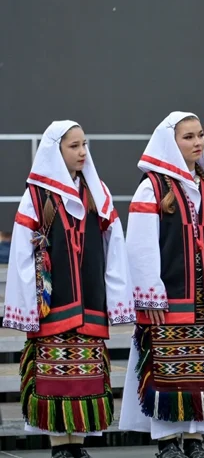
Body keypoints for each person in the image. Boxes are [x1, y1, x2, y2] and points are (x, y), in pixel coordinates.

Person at [119, 112, 204, 458]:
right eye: (188, 137)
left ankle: (196, 440)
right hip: (171, 299)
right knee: (168, 371)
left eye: (200, 136)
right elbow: (142, 248)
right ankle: (167, 441)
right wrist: (151, 295)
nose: (197, 143)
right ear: (170, 144)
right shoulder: (153, 187)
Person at [2, 120, 134, 458]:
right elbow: (20, 252)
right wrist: (27, 305)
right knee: (54, 375)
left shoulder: (96, 191)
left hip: (90, 300)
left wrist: (116, 296)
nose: (82, 151)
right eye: (74, 145)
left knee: (86, 374)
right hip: (53, 303)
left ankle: (79, 443)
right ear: (55, 151)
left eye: (84, 144)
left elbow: (114, 244)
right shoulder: (36, 196)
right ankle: (60, 444)